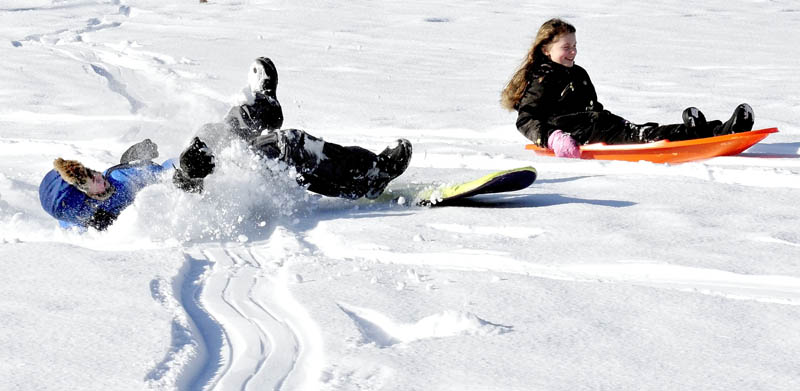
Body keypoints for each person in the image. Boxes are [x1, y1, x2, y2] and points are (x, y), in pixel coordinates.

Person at [39, 57, 412, 230]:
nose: (97, 180)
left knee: (214, 131)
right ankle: (368, 178)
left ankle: (261, 109)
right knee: (288, 146)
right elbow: (171, 206)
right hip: (218, 188)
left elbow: (132, 168)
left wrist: (138, 155)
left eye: (90, 172)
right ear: (83, 205)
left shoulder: (111, 178)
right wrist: (190, 174)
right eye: (89, 184)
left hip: (205, 165)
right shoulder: (117, 219)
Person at [500, 18, 755, 158]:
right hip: (577, 136)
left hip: (600, 124)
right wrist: (552, 138)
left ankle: (719, 129)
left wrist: (605, 118)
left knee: (644, 130)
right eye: (566, 47)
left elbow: (592, 106)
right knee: (645, 138)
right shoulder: (541, 78)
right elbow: (527, 119)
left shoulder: (578, 73)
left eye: (575, 45)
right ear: (546, 50)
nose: (573, 51)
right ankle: (696, 134)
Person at [195, 56, 412, 200]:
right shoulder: (163, 183)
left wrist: (195, 152)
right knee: (289, 145)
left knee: (222, 131)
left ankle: (263, 107)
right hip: (229, 188)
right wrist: (187, 170)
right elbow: (172, 182)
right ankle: (373, 172)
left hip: (229, 164)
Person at [39, 137, 215, 230]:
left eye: (92, 171)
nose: (99, 175)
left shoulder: (119, 179)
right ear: (86, 202)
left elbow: (165, 174)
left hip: (183, 194)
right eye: (93, 180)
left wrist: (185, 173)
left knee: (198, 161)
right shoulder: (77, 227)